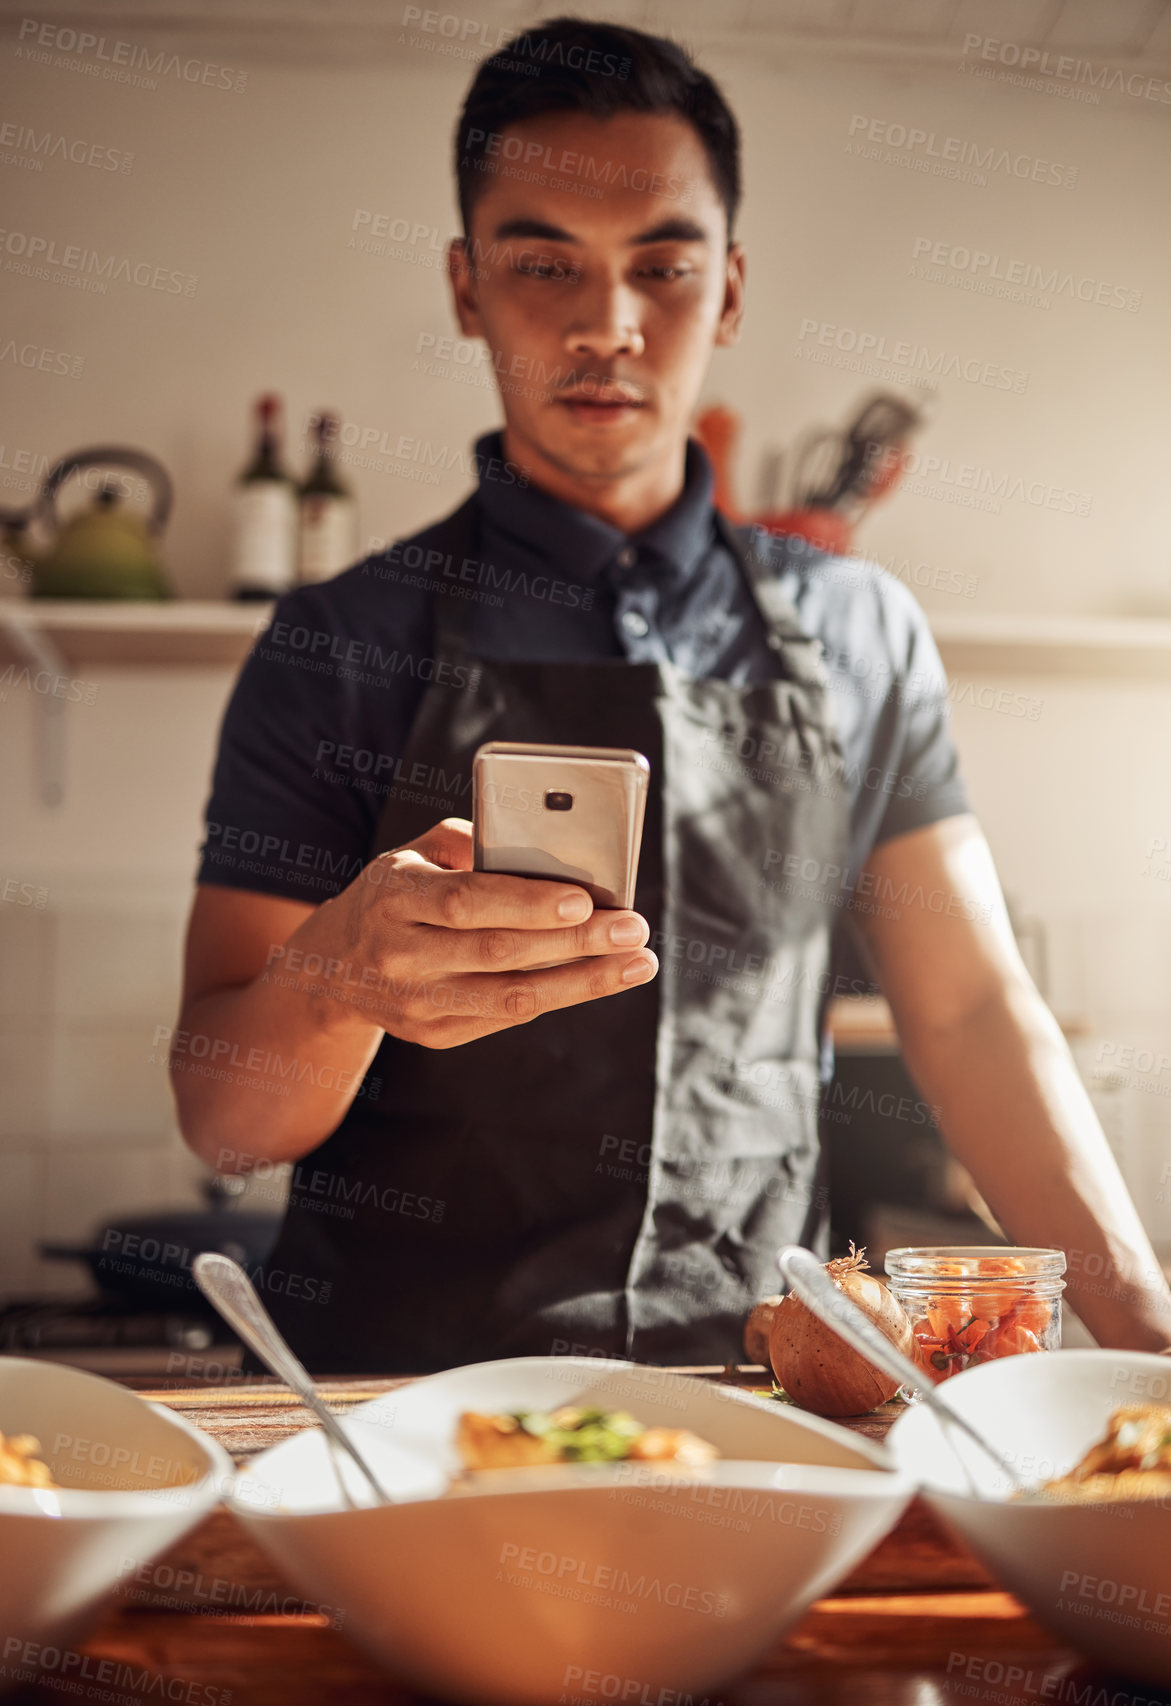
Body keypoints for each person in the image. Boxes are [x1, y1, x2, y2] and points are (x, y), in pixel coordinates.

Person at [175, 17, 1171, 1372]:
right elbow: (225, 1120)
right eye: (543, 264)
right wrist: (341, 976)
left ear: (734, 288)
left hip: (766, 1389)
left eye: (664, 267)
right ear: (467, 287)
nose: (607, 325)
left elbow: (973, 1012)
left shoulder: (862, 629)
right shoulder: (338, 639)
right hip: (387, 1404)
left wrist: (1143, 1321)